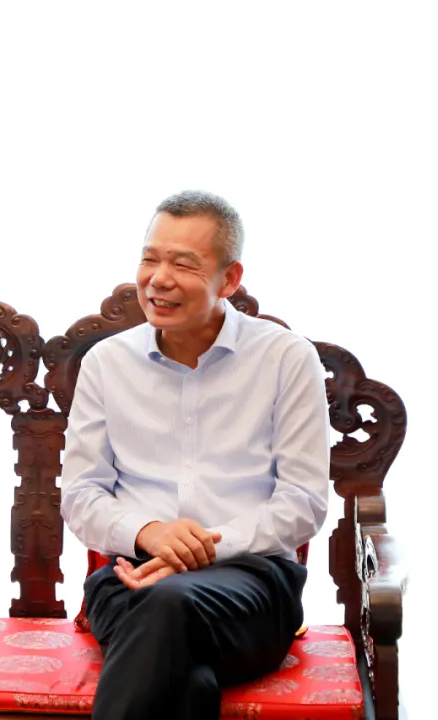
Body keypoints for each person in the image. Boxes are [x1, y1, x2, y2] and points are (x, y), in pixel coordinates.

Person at [60, 190, 329, 720]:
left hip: (251, 585)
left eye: (183, 265)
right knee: (180, 662)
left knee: (168, 608)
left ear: (229, 279)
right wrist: (150, 533)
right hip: (130, 578)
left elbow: (303, 502)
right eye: (150, 259)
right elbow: (80, 495)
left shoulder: (285, 359)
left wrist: (203, 546)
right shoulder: (107, 363)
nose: (158, 279)